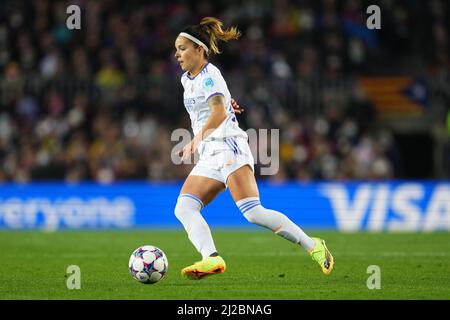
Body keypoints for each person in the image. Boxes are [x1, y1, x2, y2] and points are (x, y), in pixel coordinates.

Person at [173, 17, 334, 280]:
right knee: (183, 208)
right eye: (176, 49)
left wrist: (195, 139)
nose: (177, 54)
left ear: (199, 50)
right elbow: (215, 106)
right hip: (210, 154)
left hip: (228, 146)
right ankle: (211, 259)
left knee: (253, 213)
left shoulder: (209, 75)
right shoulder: (186, 79)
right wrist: (227, 105)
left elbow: (216, 114)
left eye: (182, 48)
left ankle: (313, 245)